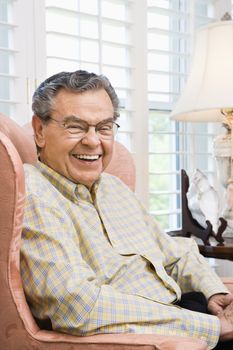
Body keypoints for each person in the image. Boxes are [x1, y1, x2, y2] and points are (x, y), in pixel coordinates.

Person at [20, 70, 233, 350]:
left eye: (104, 127)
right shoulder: (32, 191)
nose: (93, 141)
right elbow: (75, 304)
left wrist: (214, 291)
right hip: (152, 334)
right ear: (39, 131)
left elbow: (174, 254)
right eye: (75, 127)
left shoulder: (112, 186)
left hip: (185, 310)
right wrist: (213, 327)